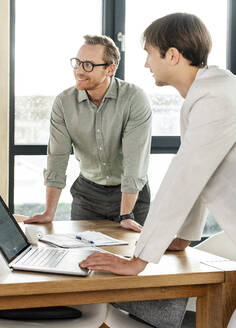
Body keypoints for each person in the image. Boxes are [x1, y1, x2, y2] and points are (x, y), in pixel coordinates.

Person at [80, 13, 236, 328]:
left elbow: (183, 178)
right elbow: (199, 178)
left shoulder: (216, 99)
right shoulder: (209, 93)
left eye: (150, 54)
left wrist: (138, 261)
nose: (146, 64)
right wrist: (182, 238)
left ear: (173, 55)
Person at [26, 35, 152, 232]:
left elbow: (134, 161)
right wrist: (49, 211)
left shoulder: (134, 99)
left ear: (110, 69)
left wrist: (126, 214)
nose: (79, 70)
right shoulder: (64, 102)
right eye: (77, 63)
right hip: (88, 195)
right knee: (85, 257)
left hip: (131, 195)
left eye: (88, 65)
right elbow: (57, 157)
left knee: (134, 255)